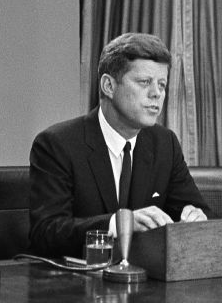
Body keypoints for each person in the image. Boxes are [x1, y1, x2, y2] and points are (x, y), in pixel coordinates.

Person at [28, 32, 207, 259]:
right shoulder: (57, 145)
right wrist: (118, 224)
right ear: (109, 86)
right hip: (75, 285)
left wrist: (196, 219)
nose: (157, 94)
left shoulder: (165, 144)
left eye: (162, 85)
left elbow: (199, 211)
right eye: (145, 82)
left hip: (146, 282)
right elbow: (46, 233)